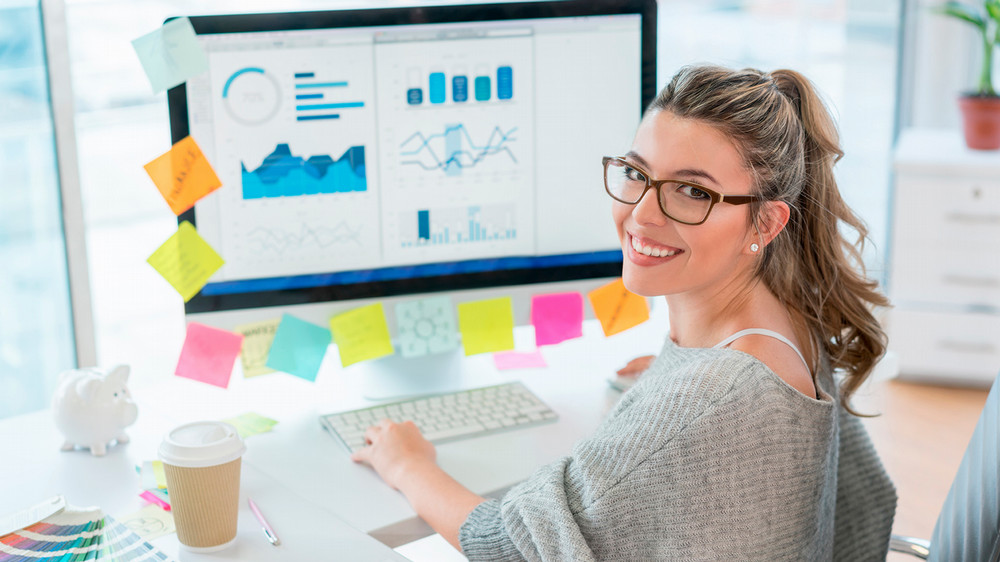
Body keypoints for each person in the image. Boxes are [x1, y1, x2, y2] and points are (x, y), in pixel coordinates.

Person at [350, 65, 896, 561]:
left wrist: (407, 464)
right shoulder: (789, 318)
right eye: (636, 173)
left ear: (766, 224)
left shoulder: (712, 396)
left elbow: (507, 546)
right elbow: (861, 501)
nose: (641, 214)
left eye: (690, 191)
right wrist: (669, 387)